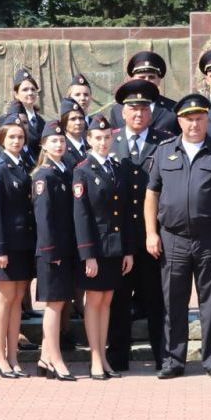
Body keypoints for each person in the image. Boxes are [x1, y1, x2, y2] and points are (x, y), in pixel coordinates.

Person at [144, 88, 211, 378]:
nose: (194, 124)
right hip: (172, 238)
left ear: (207, 119)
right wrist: (152, 233)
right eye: (188, 119)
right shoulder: (164, 152)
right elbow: (152, 194)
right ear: (179, 120)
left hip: (210, 238)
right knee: (173, 301)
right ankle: (173, 361)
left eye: (199, 118)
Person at [107, 77, 168, 371]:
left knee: (157, 300)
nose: (139, 113)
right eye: (133, 108)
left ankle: (163, 357)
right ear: (122, 111)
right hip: (120, 238)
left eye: (144, 108)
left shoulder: (166, 141)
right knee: (118, 301)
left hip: (153, 237)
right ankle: (117, 358)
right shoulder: (110, 142)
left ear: (151, 112)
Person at [72, 114, 134, 380]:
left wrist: (128, 249)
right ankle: (95, 357)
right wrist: (88, 255)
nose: (103, 143)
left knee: (107, 301)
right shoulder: (82, 170)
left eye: (107, 138)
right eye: (98, 138)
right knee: (94, 301)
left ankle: (104, 355)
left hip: (115, 247)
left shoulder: (117, 167)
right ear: (89, 140)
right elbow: (81, 215)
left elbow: (125, 212)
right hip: (95, 250)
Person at [0, 116, 35, 377]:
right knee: (4, 301)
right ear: (2, 139)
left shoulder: (23, 165)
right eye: (12, 137)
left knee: (17, 300)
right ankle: (0, 356)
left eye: (20, 137)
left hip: (23, 244)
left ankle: (13, 355)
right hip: (7, 246)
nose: (17, 141)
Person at [31, 127, 78, 380]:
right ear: (44, 145)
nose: (59, 144)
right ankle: (56, 360)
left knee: (60, 303)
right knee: (54, 305)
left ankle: (44, 357)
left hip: (65, 247)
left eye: (61, 140)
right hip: (53, 250)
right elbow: (44, 218)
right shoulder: (44, 176)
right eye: (53, 141)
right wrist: (51, 251)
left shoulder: (64, 171)